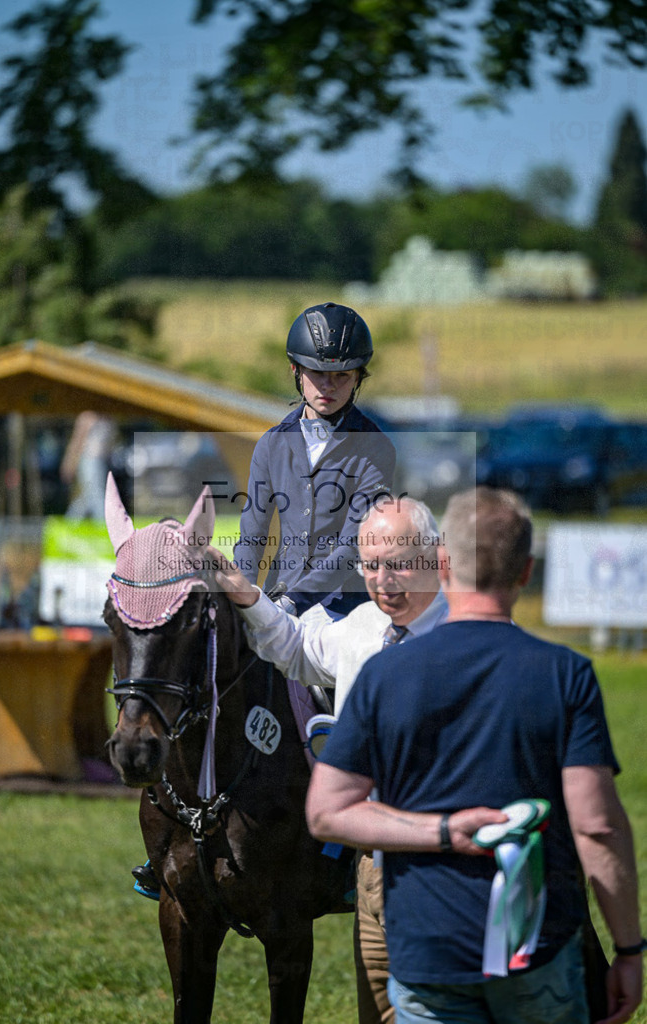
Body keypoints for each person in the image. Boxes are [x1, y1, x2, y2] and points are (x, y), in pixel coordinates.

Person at [306, 487, 644, 1024]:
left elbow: (326, 812)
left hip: (426, 949)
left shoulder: (384, 673)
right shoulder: (566, 673)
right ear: (526, 572)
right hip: (535, 946)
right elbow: (597, 827)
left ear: (442, 564)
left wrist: (443, 831)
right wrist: (629, 950)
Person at [213, 496, 456, 1024]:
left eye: (399, 563)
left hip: (445, 867)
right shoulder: (364, 627)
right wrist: (245, 593)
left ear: (438, 559)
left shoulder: (470, 640)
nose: (382, 579)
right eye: (370, 565)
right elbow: (297, 647)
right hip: (371, 868)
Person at [233, 301, 396, 617]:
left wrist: (295, 602)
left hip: (345, 610)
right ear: (296, 370)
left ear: (359, 377)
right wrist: (244, 601)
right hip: (276, 599)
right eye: (318, 373)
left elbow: (352, 546)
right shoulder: (271, 445)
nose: (328, 386)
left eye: (342, 375)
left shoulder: (376, 449)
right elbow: (252, 535)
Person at [61, 411, 116, 520]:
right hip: (89, 461)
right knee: (96, 495)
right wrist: (69, 463)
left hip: (101, 462)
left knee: (88, 496)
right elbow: (76, 442)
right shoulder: (87, 416)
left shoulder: (108, 417)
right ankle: (103, 524)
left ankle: (70, 522)